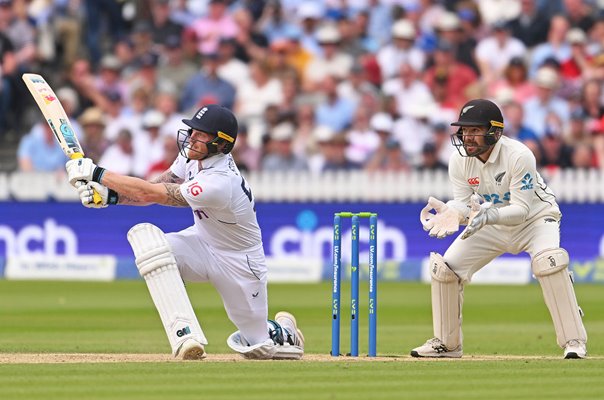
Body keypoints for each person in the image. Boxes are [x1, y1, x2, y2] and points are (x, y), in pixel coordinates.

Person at [65, 104, 305, 360]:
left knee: (259, 349)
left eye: (201, 134)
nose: (192, 137)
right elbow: (156, 187)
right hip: (201, 243)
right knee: (152, 246)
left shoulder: (220, 183)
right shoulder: (193, 156)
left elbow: (152, 193)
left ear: (221, 144)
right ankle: (186, 335)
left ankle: (283, 330)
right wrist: (113, 197)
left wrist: (98, 174)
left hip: (240, 262)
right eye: (193, 131)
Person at [414, 99, 587, 359]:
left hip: (535, 220)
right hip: (491, 223)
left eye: (474, 130)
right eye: (464, 131)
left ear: (494, 131)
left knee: (548, 263)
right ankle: (447, 344)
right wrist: (454, 212)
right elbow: (464, 203)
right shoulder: (459, 161)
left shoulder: (519, 155)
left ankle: (574, 341)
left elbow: (521, 210)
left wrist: (486, 216)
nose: (467, 137)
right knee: (445, 269)